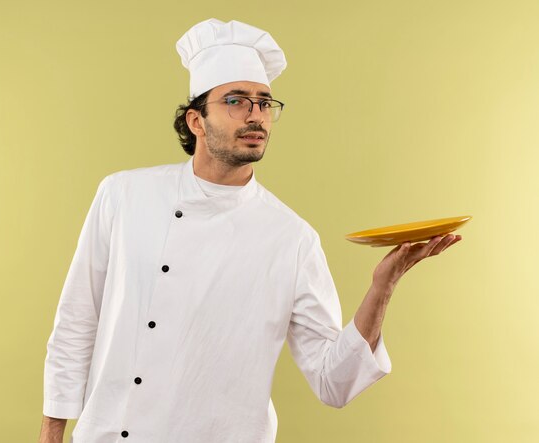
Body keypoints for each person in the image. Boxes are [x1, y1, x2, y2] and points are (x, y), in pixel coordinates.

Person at [38, 18, 462, 443]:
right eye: (236, 101)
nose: (255, 114)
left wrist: (382, 286)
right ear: (196, 121)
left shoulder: (292, 238)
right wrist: (52, 431)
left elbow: (334, 382)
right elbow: (77, 320)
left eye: (264, 103)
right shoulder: (123, 196)